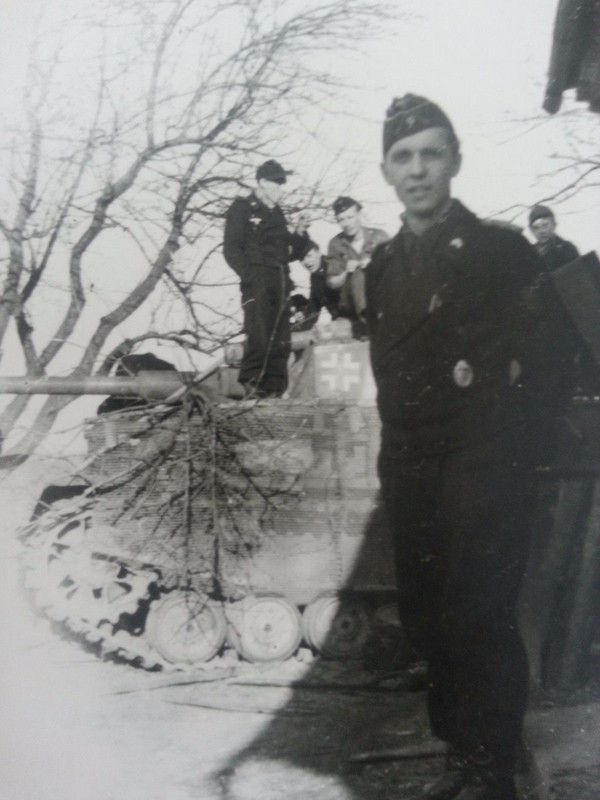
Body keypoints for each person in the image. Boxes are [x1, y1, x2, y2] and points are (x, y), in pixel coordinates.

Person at [365, 94, 576, 800]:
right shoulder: (383, 266)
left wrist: (522, 446)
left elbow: (553, 353)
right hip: (411, 465)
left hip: (485, 462)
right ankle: (461, 755)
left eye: (431, 153)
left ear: (454, 161)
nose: (418, 170)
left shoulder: (499, 250)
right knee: (428, 615)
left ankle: (492, 767)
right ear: (387, 170)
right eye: (403, 157)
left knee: (479, 611)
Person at [223, 160, 309, 397]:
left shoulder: (277, 213)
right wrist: (251, 276)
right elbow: (231, 249)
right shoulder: (243, 208)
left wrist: (299, 235)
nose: (282, 188)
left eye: (283, 183)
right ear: (262, 182)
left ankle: (273, 392)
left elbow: (288, 252)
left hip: (281, 281)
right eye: (277, 182)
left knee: (281, 341)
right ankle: (253, 388)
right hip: (258, 282)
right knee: (259, 336)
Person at [326, 196, 388, 338]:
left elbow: (396, 269)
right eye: (341, 219)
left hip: (380, 294)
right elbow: (332, 283)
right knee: (358, 274)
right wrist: (347, 272)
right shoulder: (335, 244)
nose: (347, 223)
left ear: (359, 215)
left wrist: (375, 263)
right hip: (351, 301)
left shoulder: (379, 237)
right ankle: (368, 322)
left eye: (350, 217)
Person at [529, 204, 580, 272]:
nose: (541, 231)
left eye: (545, 225)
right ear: (531, 230)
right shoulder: (530, 253)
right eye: (536, 227)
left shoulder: (567, 248)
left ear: (554, 225)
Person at [299, 240, 341, 323]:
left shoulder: (333, 265)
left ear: (319, 252)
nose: (306, 262)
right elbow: (314, 306)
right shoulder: (314, 277)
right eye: (302, 259)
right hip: (338, 320)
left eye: (309, 256)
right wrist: (302, 320)